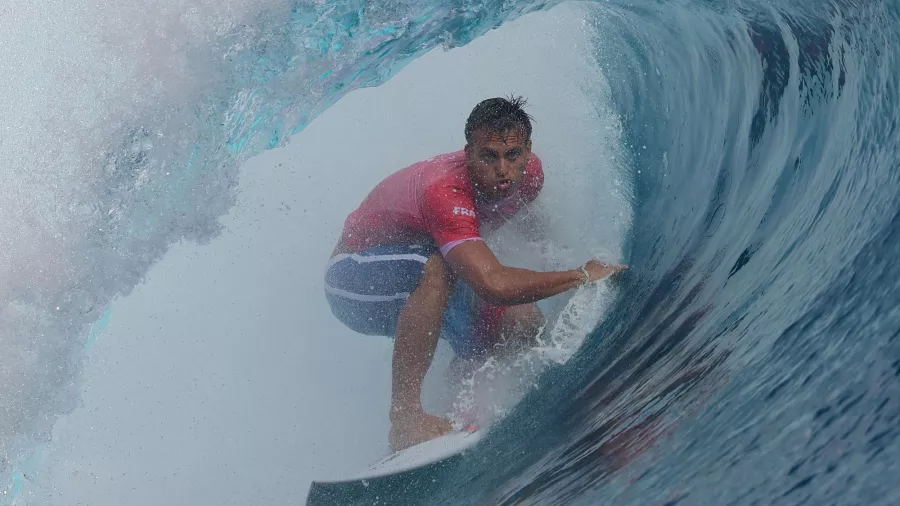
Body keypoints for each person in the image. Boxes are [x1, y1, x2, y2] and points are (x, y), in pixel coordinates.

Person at [324, 96, 626, 451]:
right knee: (437, 269)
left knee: (521, 322)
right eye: (489, 156)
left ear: (528, 152)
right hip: (353, 282)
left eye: (512, 155)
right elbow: (494, 284)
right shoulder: (444, 190)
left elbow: (534, 232)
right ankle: (405, 419)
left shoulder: (529, 177)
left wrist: (562, 264)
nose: (503, 169)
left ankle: (464, 407)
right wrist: (580, 275)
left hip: (425, 291)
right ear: (469, 154)